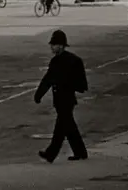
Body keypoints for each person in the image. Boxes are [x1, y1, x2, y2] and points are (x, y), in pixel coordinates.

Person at [34, 30, 89, 163]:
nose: (52, 47)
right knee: (69, 127)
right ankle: (80, 152)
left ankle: (50, 154)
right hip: (59, 100)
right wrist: (39, 94)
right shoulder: (55, 61)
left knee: (60, 129)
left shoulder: (73, 61)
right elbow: (47, 79)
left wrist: (67, 84)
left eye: (54, 44)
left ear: (61, 45)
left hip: (67, 99)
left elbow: (81, 84)